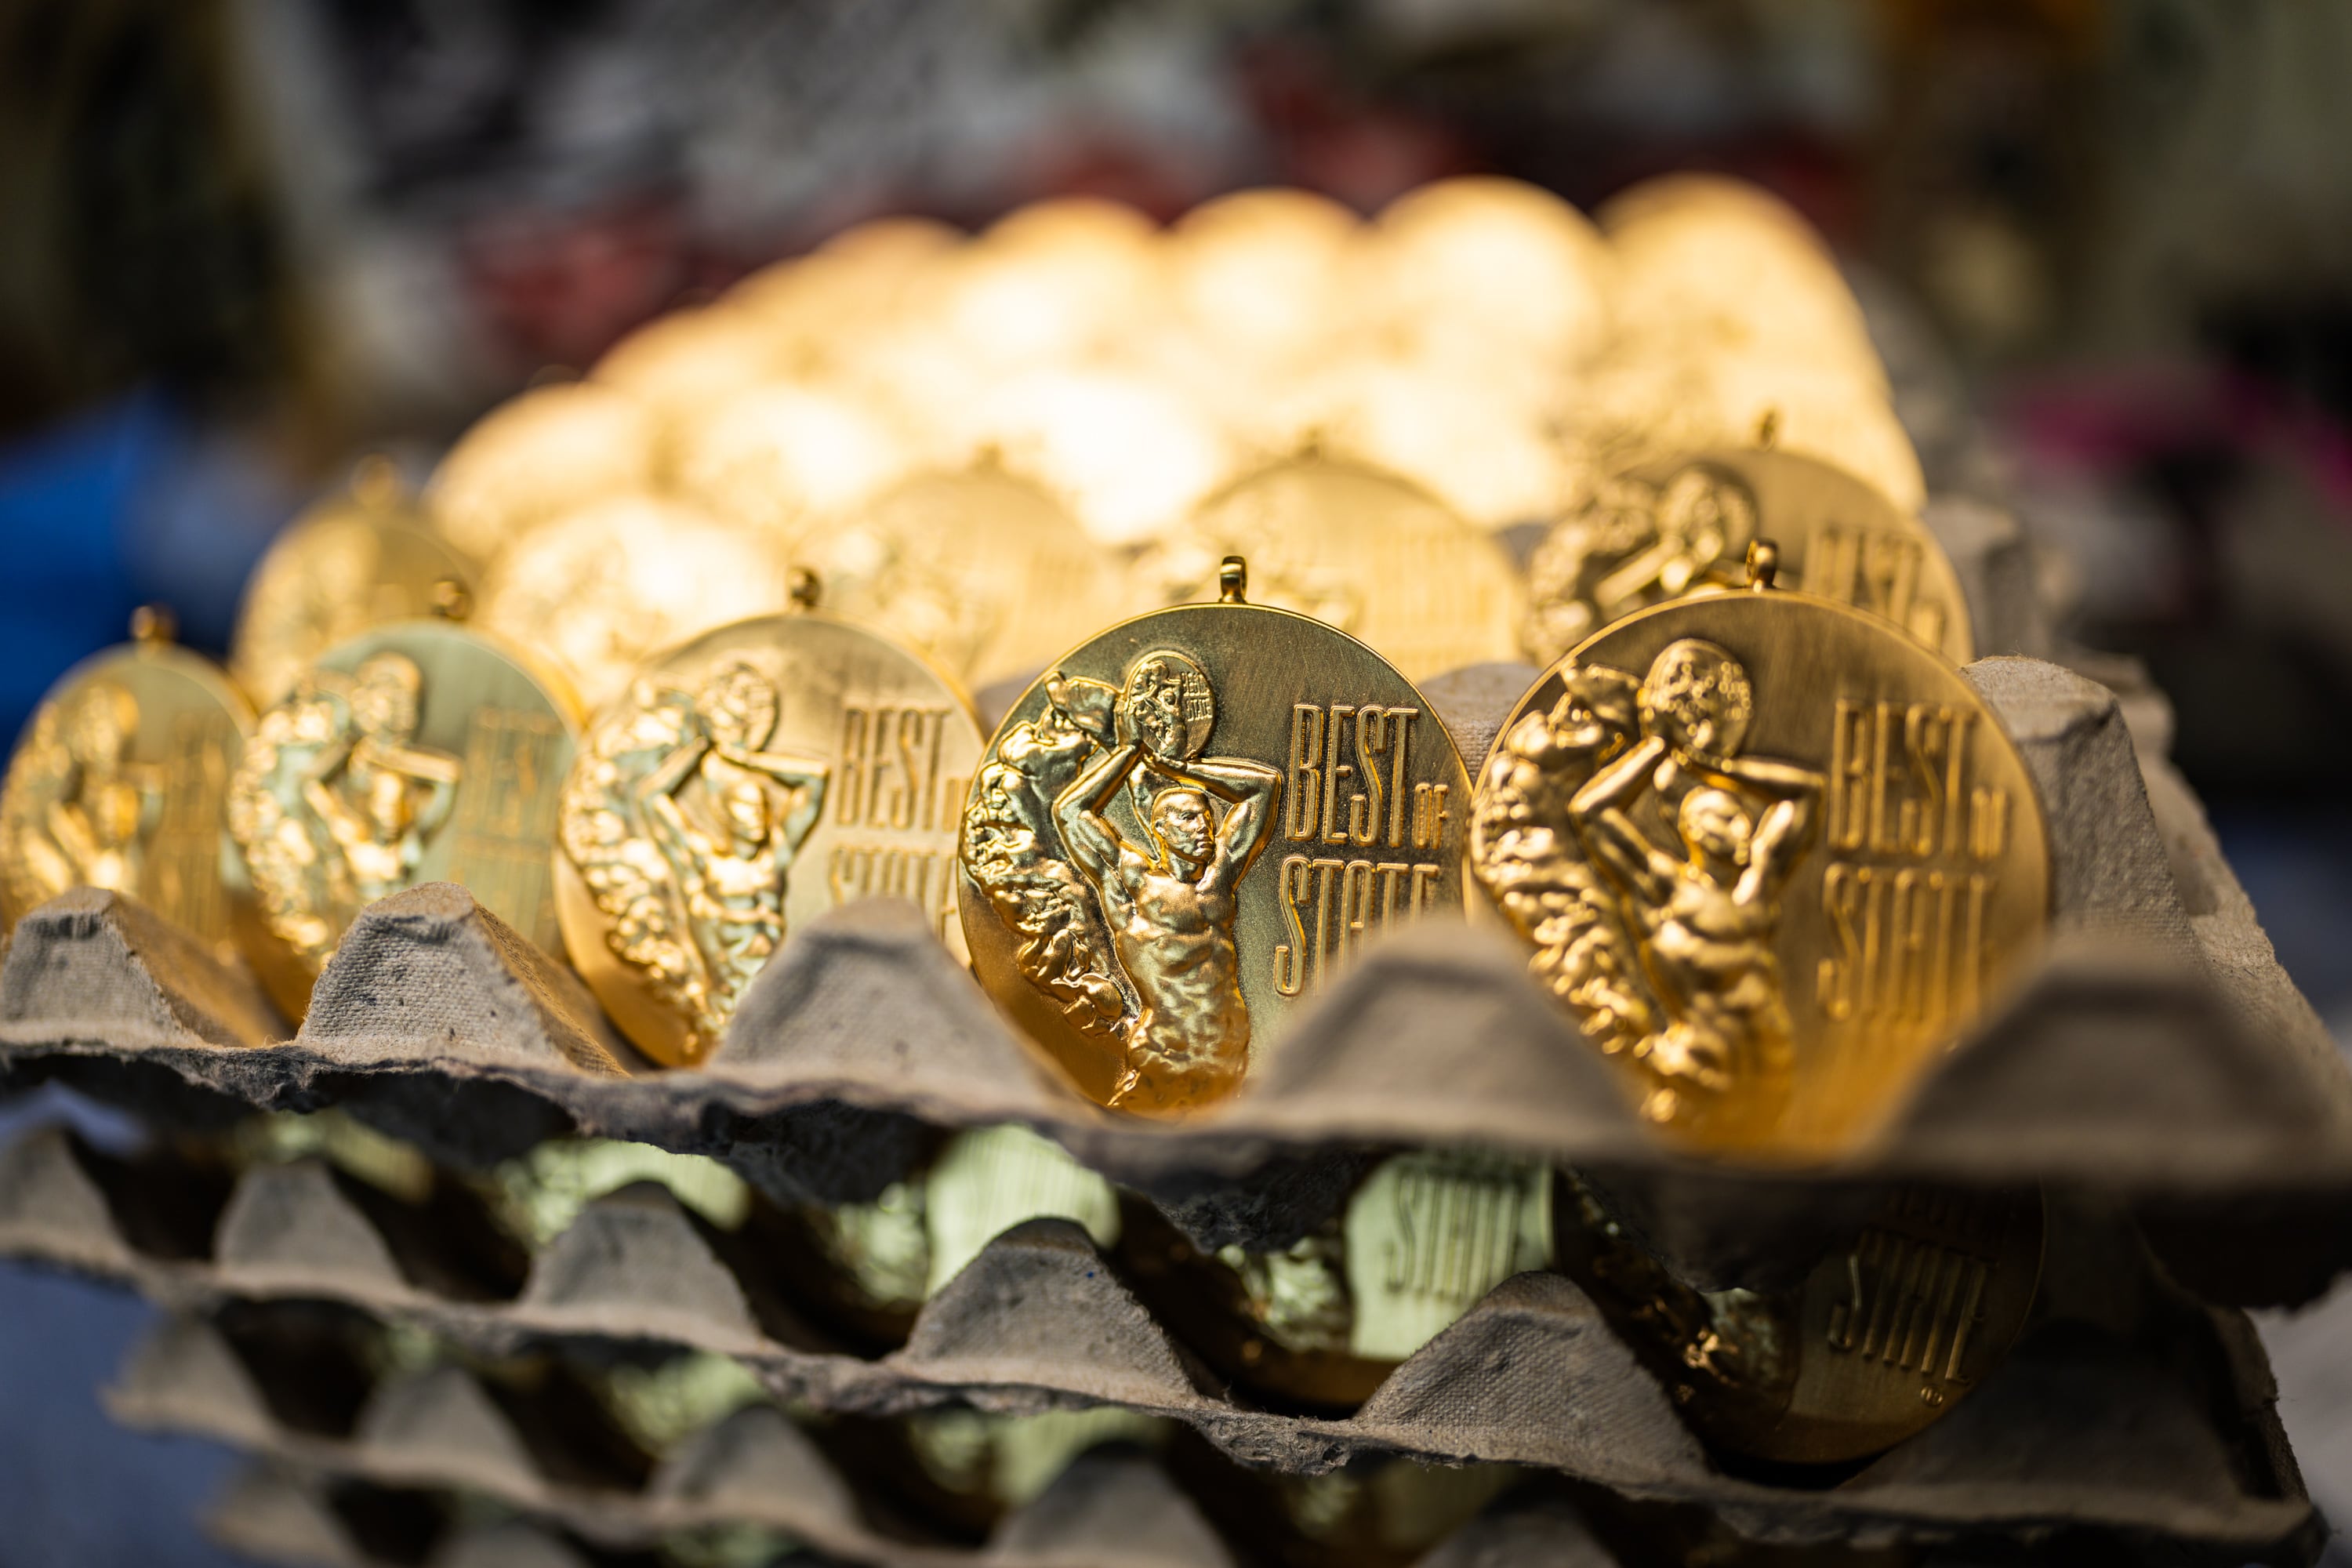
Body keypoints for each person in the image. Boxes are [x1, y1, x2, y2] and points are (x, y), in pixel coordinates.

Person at [1569, 639, 1820, 1127]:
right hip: (1699, 1079)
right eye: (1722, 816)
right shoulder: (1662, 889)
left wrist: (1719, 770)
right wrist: (1657, 746)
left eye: (1740, 815)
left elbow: (1807, 794)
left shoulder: (1756, 890)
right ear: (1694, 832)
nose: (1741, 824)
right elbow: (1589, 812)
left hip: (1772, 1082)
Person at [1054, 655, 1280, 1110]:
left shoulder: (1218, 880)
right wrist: (1128, 751)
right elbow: (1070, 812)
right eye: (1188, 819)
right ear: (1159, 829)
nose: (1204, 828)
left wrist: (1182, 767)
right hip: (1168, 1059)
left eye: (1207, 817)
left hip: (1230, 1060)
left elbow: (1265, 787)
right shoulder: (1134, 884)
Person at [634, 659, 829, 1036]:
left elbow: (816, 779)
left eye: (763, 807)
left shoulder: (773, 861)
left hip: (774, 1009)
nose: (759, 816)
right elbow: (650, 798)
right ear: (724, 813)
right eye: (745, 807)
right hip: (721, 1007)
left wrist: (748, 760)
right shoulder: (703, 864)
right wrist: (702, 745)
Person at [303, 652, 459, 909]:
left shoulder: (405, 849)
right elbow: (312, 783)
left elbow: (448, 776)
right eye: (384, 700)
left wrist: (390, 760)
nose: (388, 816)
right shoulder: (353, 837)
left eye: (400, 701)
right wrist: (335, 815)